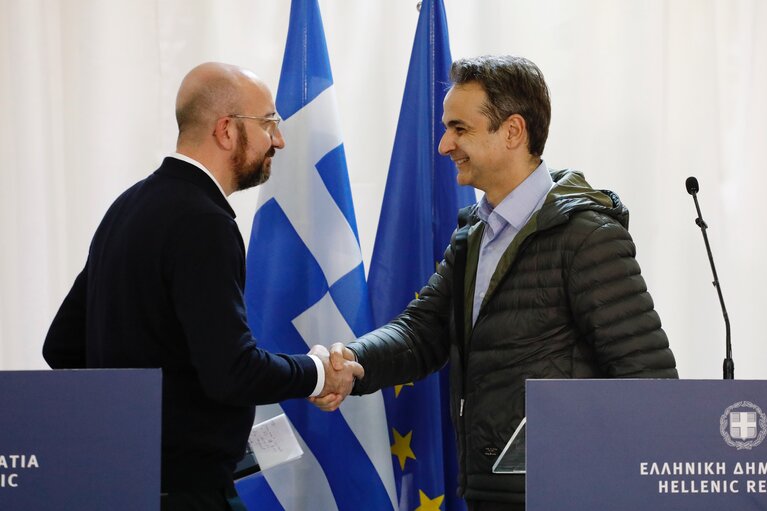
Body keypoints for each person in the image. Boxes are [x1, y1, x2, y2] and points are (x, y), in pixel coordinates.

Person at [312, 55, 678, 510]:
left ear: (512, 132)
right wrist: (355, 361)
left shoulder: (587, 237)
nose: (445, 144)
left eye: (459, 128)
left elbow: (649, 382)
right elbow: (420, 332)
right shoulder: (473, 237)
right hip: (489, 494)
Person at [42, 62, 361, 511]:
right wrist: (316, 372)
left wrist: (143, 425)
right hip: (187, 497)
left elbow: (61, 347)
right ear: (227, 130)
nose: (280, 139)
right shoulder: (204, 222)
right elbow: (232, 372)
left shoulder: (127, 207)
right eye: (270, 122)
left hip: (120, 488)